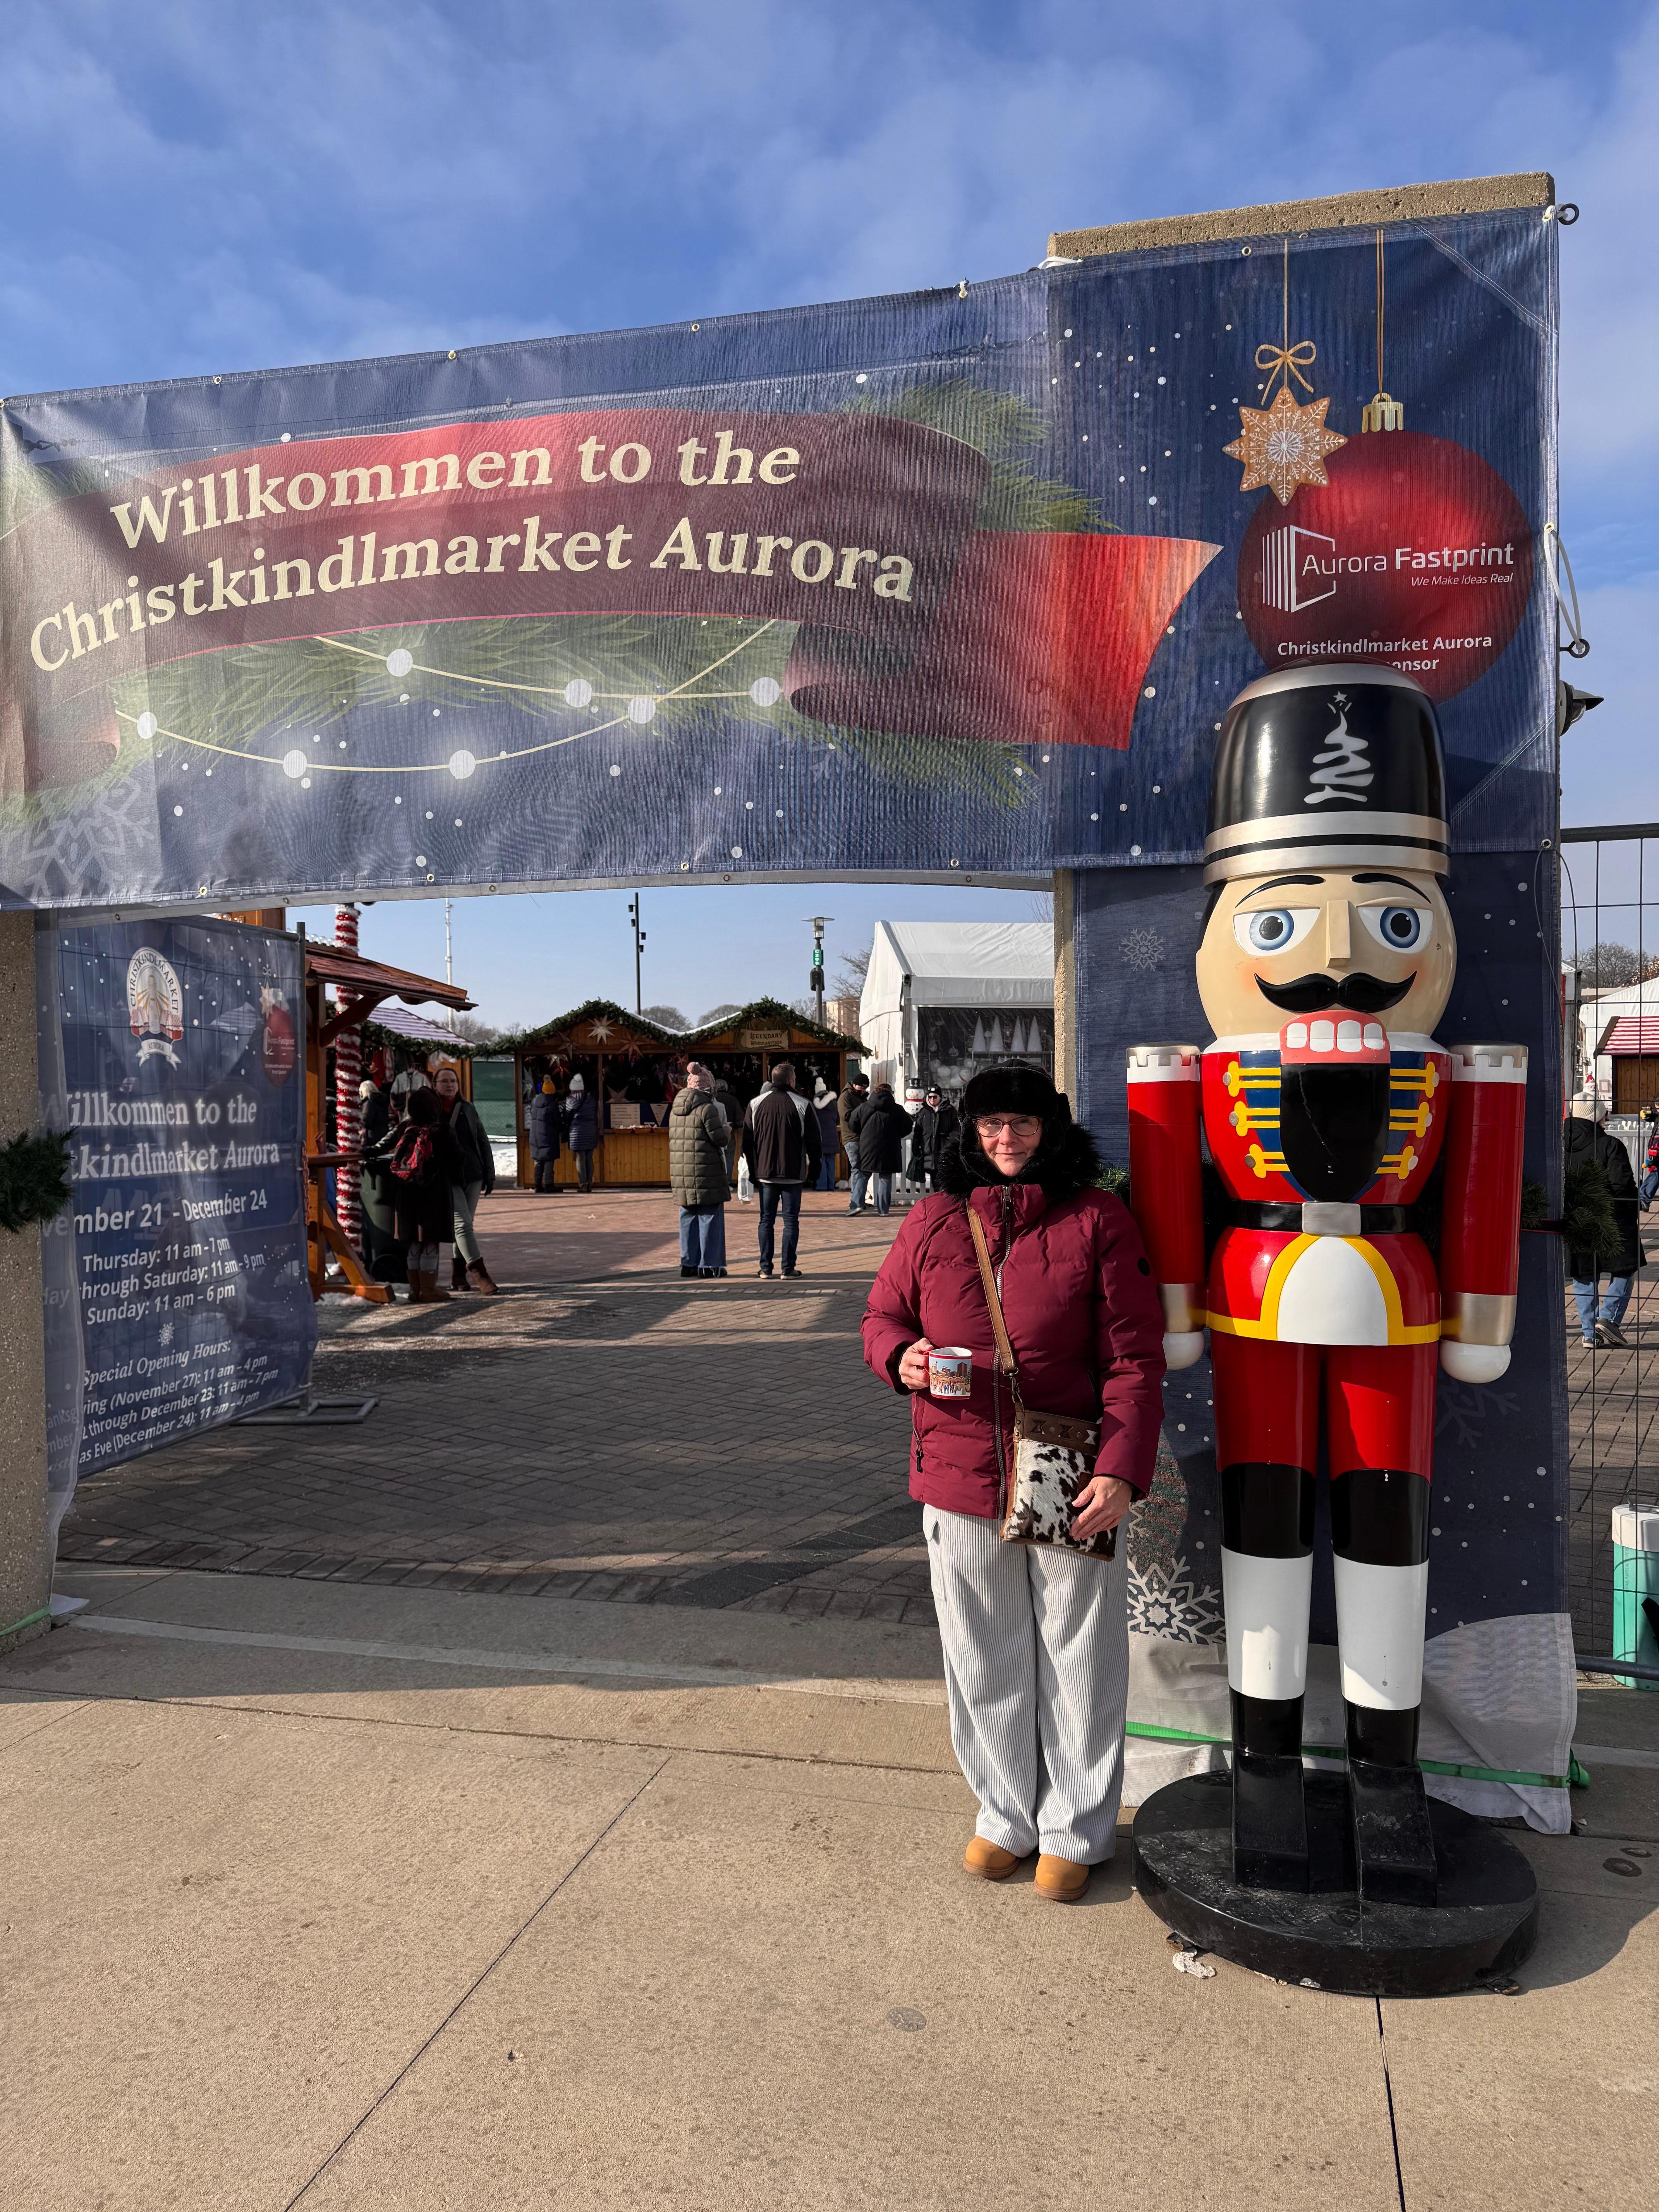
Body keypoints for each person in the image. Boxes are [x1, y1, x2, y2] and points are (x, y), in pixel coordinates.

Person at [861, 1064, 1165, 1902]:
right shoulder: (931, 1220)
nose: (1007, 1140)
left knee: (1079, 1656)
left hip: (1069, 1472)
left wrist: (1122, 1468)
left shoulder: (1098, 1219)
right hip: (956, 1474)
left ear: (1051, 1129)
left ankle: (1075, 1829)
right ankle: (1005, 1815)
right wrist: (901, 1357)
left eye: (1023, 1125)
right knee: (981, 1654)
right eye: (992, 1124)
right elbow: (881, 1315)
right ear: (971, 1131)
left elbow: (1135, 1359)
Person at [1565, 1092, 1641, 1348]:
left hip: (1575, 1219)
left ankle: (1589, 1334)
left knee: (1584, 1275)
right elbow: (1623, 1186)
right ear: (1596, 1116)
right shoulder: (1610, 1145)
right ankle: (1608, 1319)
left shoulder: (1558, 1145)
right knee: (1625, 1268)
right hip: (1610, 1219)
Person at [387, 1084, 465, 1303]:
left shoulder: (405, 1129)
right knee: (430, 1241)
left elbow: (383, 1147)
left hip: (406, 1193)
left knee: (413, 1240)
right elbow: (458, 1160)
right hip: (434, 1193)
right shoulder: (442, 1131)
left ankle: (415, 1289)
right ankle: (429, 1288)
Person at [742, 1061, 821, 1278]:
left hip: (765, 1172)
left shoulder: (756, 1104)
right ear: (791, 1081)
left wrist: (753, 1170)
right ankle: (788, 1268)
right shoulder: (802, 1103)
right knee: (790, 1221)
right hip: (793, 1171)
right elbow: (815, 1141)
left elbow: (748, 1142)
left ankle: (766, 1268)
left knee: (766, 1220)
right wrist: (815, 1168)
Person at [432, 1061, 498, 1293]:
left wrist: (489, 1173)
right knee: (462, 1224)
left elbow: (482, 1140)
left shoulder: (467, 1108)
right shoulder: (430, 1109)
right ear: (435, 1085)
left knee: (466, 1225)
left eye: (453, 1081)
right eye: (445, 1081)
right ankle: (481, 1275)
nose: (450, 1085)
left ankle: (458, 1276)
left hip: (473, 1173)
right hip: (447, 1175)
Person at [669, 1061, 730, 1277]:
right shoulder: (707, 1108)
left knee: (687, 1217)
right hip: (706, 1173)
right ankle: (710, 1266)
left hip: (681, 1175)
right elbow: (719, 1139)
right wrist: (727, 1131)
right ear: (708, 1088)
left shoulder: (675, 1110)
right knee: (709, 1217)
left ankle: (688, 1264)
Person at [849, 1080, 913, 1216]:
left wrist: (862, 1134)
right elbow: (908, 1126)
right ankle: (883, 1210)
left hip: (867, 1146)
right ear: (891, 1093)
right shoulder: (897, 1109)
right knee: (885, 1177)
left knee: (864, 1174)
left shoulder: (865, 1106)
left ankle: (857, 1204)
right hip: (890, 1146)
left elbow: (853, 1122)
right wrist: (898, 1134)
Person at [913, 1085, 960, 1193]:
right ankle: (939, 1201)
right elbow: (918, 1132)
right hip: (929, 1151)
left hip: (944, 1149)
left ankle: (944, 1201)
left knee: (945, 1177)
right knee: (934, 1178)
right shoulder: (924, 1112)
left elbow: (957, 1128)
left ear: (940, 1097)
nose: (932, 1100)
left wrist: (950, 1142)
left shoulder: (950, 1110)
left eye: (935, 1097)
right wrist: (916, 1147)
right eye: (930, 1097)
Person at [838, 1073, 871, 1212]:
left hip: (862, 1138)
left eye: (865, 1089)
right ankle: (856, 1203)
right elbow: (847, 1116)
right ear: (854, 1084)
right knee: (859, 1169)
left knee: (863, 1170)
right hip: (852, 1138)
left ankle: (859, 1200)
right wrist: (864, 1111)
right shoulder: (845, 1097)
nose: (863, 1091)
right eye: (862, 1088)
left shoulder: (861, 1097)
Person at [527, 1076, 565, 1194]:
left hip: (535, 1137)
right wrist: (562, 1129)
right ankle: (549, 1185)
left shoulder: (534, 1102)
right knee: (549, 1161)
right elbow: (558, 1121)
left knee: (538, 1162)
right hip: (548, 1137)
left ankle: (538, 1185)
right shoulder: (552, 1105)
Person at [566, 1072, 600, 1192]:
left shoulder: (571, 1100)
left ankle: (583, 1184)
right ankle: (590, 1183)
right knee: (589, 1157)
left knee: (580, 1158)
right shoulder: (591, 1099)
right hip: (591, 1131)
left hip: (577, 1133)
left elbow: (567, 1116)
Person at [812, 1078, 841, 1192]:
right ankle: (830, 1185)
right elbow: (837, 1119)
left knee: (821, 1160)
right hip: (833, 1136)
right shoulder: (834, 1103)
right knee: (831, 1161)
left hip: (821, 1136)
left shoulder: (816, 1103)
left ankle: (822, 1185)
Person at [1640, 1104, 1659, 1212]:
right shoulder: (1657, 1114)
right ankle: (1644, 1200)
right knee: (1656, 1172)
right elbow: (1654, 1117)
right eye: (1657, 1107)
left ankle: (1644, 1200)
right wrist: (1647, 1115)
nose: (1658, 1109)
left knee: (1656, 1172)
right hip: (1656, 1149)